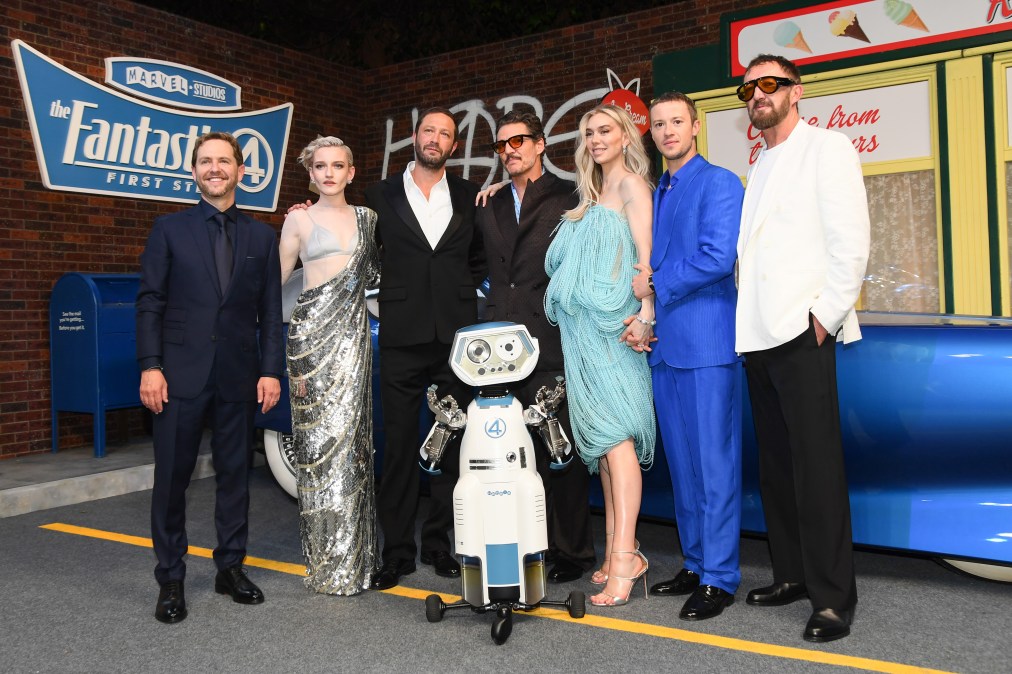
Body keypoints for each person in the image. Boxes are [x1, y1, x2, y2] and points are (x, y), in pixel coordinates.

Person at [735, 54, 870, 642]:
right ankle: (790, 575)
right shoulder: (761, 161)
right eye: (749, 88)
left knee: (816, 471)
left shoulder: (828, 148)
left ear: (796, 90)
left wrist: (824, 318)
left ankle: (834, 599)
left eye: (769, 84)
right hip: (759, 336)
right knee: (776, 468)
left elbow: (851, 244)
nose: (758, 94)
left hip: (802, 330)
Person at [136, 131, 283, 624]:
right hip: (178, 375)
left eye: (224, 161)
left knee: (235, 479)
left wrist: (269, 371)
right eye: (205, 161)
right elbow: (151, 302)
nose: (214, 168)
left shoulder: (264, 237)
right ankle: (171, 577)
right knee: (172, 480)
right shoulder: (169, 230)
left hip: (239, 377)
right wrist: (150, 366)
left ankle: (230, 568)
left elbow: (269, 309)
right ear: (194, 172)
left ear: (241, 171)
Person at [628, 92, 743, 621]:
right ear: (650, 134)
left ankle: (721, 577)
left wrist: (657, 281)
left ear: (695, 126)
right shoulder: (659, 190)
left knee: (714, 466)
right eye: (659, 124)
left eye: (677, 121)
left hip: (707, 346)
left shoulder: (719, 182)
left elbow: (718, 257)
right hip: (666, 349)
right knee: (685, 468)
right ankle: (696, 563)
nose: (668, 130)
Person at [365, 107, 486, 590]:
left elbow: (477, 259)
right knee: (397, 447)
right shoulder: (378, 195)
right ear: (414, 139)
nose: (435, 139)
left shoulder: (468, 195)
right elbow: (359, 248)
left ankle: (440, 544)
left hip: (454, 341)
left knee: (451, 445)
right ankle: (395, 551)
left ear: (453, 146)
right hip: (400, 336)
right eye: (428, 131)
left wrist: (456, 294)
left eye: (445, 134)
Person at [475, 109, 596, 584]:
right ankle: (529, 544)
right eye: (503, 144)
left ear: (541, 144)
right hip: (500, 348)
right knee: (509, 450)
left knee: (559, 452)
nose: (510, 150)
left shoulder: (572, 195)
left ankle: (573, 552)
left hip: (552, 340)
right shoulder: (490, 202)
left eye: (519, 140)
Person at [544, 104, 656, 607]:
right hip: (582, 336)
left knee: (618, 443)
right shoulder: (589, 197)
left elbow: (645, 260)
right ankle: (618, 554)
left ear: (626, 134)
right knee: (604, 454)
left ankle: (625, 558)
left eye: (605, 130)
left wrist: (645, 314)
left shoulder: (633, 184)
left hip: (615, 332)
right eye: (588, 132)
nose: (595, 139)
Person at [279, 136, 380, 595]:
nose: (329, 173)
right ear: (311, 173)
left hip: (353, 342)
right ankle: (325, 563)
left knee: (353, 445)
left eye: (338, 165)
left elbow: (377, 277)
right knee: (317, 448)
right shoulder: (298, 219)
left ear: (351, 172)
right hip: (311, 342)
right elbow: (276, 282)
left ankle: (357, 560)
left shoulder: (369, 219)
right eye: (321, 166)